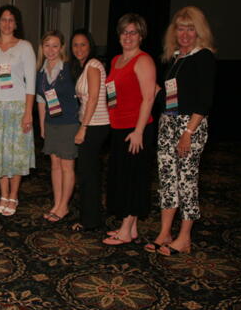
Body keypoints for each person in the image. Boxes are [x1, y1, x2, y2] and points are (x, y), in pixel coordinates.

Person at [146, 6, 217, 256]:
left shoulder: (203, 56)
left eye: (190, 28)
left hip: (190, 126)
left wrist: (188, 132)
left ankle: (184, 237)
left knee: (186, 182)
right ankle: (165, 232)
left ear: (199, 31)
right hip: (168, 124)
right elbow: (173, 95)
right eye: (180, 28)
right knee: (167, 180)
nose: (185, 33)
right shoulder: (177, 57)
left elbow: (204, 101)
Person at [103, 13, 156, 246]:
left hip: (136, 130)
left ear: (141, 36)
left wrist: (138, 131)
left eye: (133, 32)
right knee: (122, 177)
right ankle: (130, 228)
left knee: (133, 179)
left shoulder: (144, 60)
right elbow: (113, 95)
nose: (128, 36)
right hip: (118, 127)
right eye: (124, 31)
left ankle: (125, 229)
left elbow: (148, 98)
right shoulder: (116, 60)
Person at [0, 5, 36, 216]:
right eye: (3, 19)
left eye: (11, 20)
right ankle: (3, 196)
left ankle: (14, 196)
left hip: (17, 106)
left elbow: (31, 83)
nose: (7, 24)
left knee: (15, 154)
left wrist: (28, 112)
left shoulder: (25, 47)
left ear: (16, 24)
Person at [36, 30, 79, 222]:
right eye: (47, 45)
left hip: (69, 122)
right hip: (51, 123)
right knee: (54, 165)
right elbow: (41, 100)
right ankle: (57, 202)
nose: (51, 50)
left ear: (61, 48)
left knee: (67, 166)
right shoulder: (41, 72)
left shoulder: (70, 69)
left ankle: (64, 206)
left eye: (55, 46)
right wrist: (42, 126)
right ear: (42, 48)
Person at [70, 30, 110, 231]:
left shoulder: (93, 65)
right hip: (91, 123)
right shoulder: (83, 67)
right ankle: (91, 218)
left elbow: (93, 98)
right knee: (89, 173)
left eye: (83, 44)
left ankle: (90, 221)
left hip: (94, 125)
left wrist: (82, 128)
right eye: (75, 45)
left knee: (87, 174)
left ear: (90, 46)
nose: (79, 48)